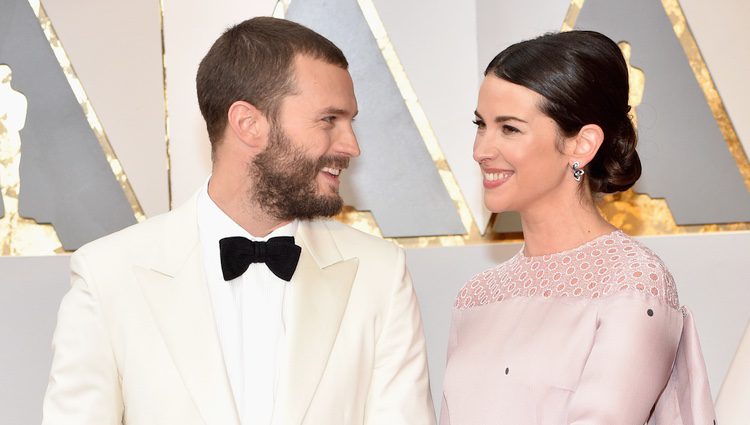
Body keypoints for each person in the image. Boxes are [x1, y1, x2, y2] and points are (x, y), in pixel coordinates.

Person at [42, 17, 435, 425]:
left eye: (350, 121)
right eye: (329, 120)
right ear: (249, 124)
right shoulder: (108, 274)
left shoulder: (380, 275)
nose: (351, 145)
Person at [439, 31, 715, 424]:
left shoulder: (632, 283)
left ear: (582, 144)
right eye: (481, 125)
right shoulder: (476, 297)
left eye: (509, 128)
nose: (481, 150)